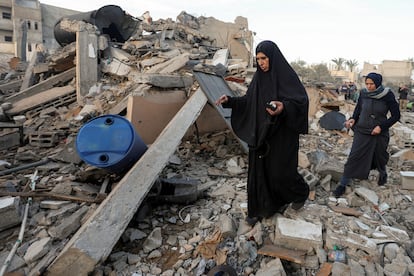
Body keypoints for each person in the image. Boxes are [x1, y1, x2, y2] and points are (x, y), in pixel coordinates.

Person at [215, 40, 309, 226]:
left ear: (273, 58)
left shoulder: (287, 77)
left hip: (282, 136)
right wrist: (230, 102)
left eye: (264, 58)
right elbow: (249, 102)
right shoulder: (259, 79)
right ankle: (258, 210)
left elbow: (301, 102)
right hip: (261, 133)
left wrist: (284, 107)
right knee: (258, 173)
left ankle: (300, 193)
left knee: (281, 173)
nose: (261, 63)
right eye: (258, 59)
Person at [333, 72, 400, 197]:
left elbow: (396, 116)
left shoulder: (387, 95)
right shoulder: (363, 93)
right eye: (367, 83)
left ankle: (382, 173)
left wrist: (381, 127)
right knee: (354, 157)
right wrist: (353, 119)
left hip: (379, 132)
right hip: (362, 130)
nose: (369, 86)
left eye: (372, 84)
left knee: (379, 156)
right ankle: (342, 184)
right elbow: (359, 109)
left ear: (378, 83)